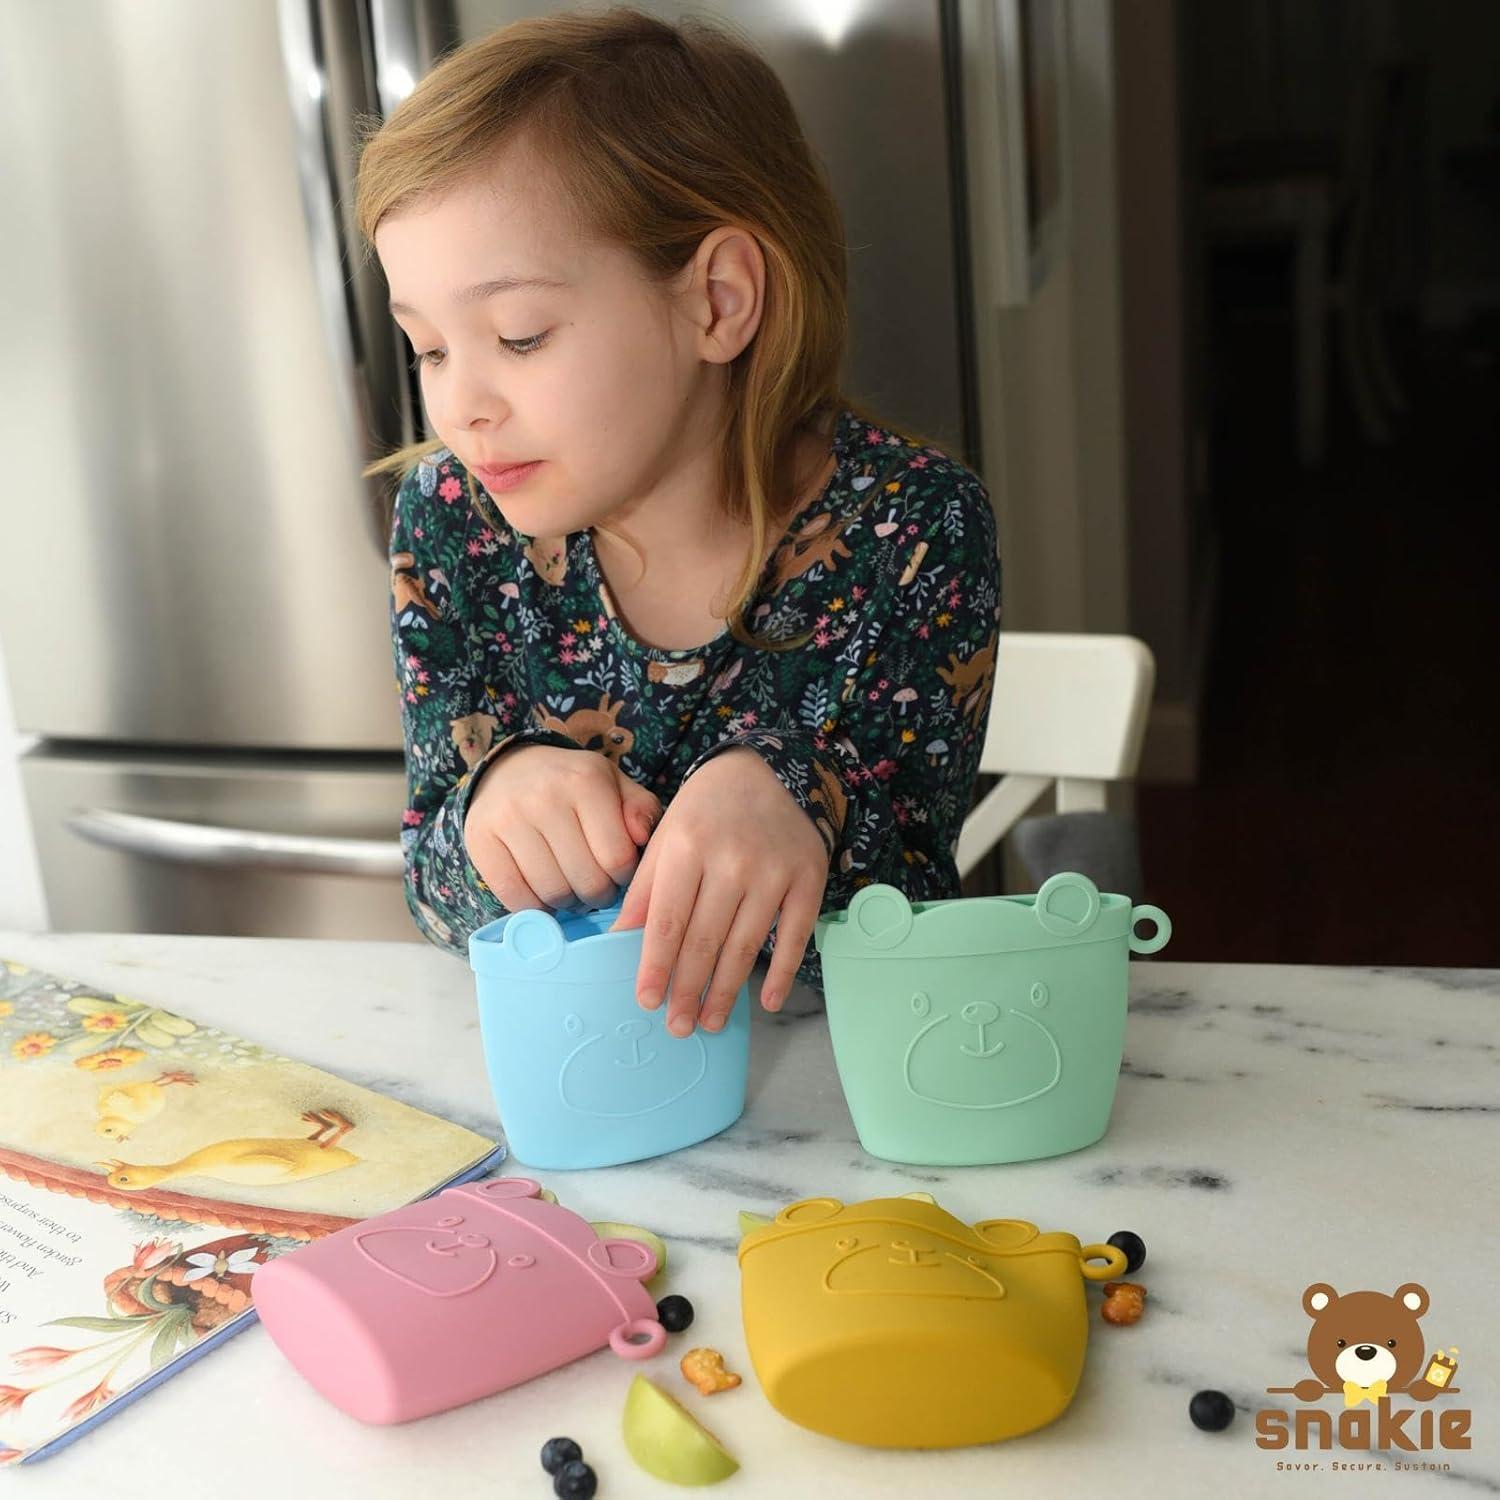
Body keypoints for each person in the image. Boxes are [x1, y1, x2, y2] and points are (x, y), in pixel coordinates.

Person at [357, 6, 1001, 1039]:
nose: (460, 406)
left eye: (518, 336)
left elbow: (913, 912)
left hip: (836, 1089)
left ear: (717, 301)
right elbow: (433, 895)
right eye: (429, 348)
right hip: (587, 1075)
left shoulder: (913, 528)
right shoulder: (452, 523)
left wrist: (797, 798)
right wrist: (491, 810)